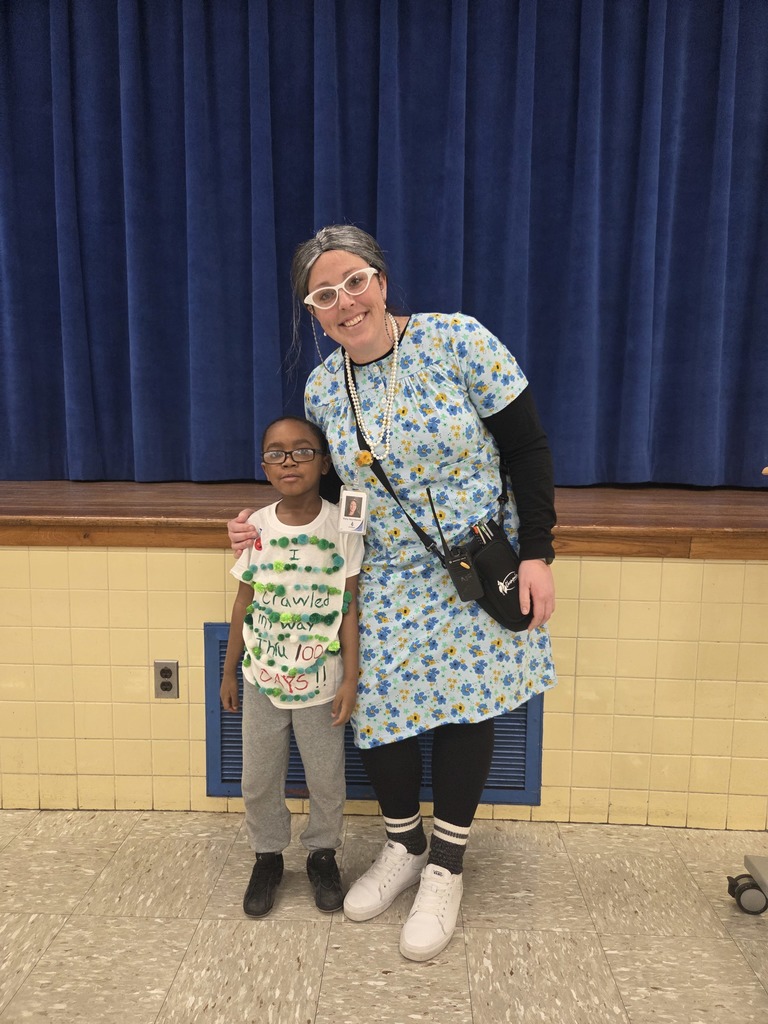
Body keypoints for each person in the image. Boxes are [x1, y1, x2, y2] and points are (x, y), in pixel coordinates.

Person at [228, 224, 557, 960]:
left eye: (355, 282)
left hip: (473, 563)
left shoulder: (456, 340)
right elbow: (323, 491)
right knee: (380, 713)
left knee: (469, 708)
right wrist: (256, 526)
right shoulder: (323, 388)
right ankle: (404, 845)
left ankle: (446, 865)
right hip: (385, 574)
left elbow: (528, 447)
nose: (345, 302)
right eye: (324, 294)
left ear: (380, 278)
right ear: (311, 311)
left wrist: (538, 553)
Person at [221, 415, 364, 918]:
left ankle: (322, 854)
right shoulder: (255, 525)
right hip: (262, 678)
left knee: (326, 776)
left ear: (324, 462)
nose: (289, 461)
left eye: (302, 451)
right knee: (258, 776)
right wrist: (229, 670)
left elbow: (349, 604)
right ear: (263, 466)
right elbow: (243, 602)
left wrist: (350, 675)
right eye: (276, 453)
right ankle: (267, 855)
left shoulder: (343, 523)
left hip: (322, 682)